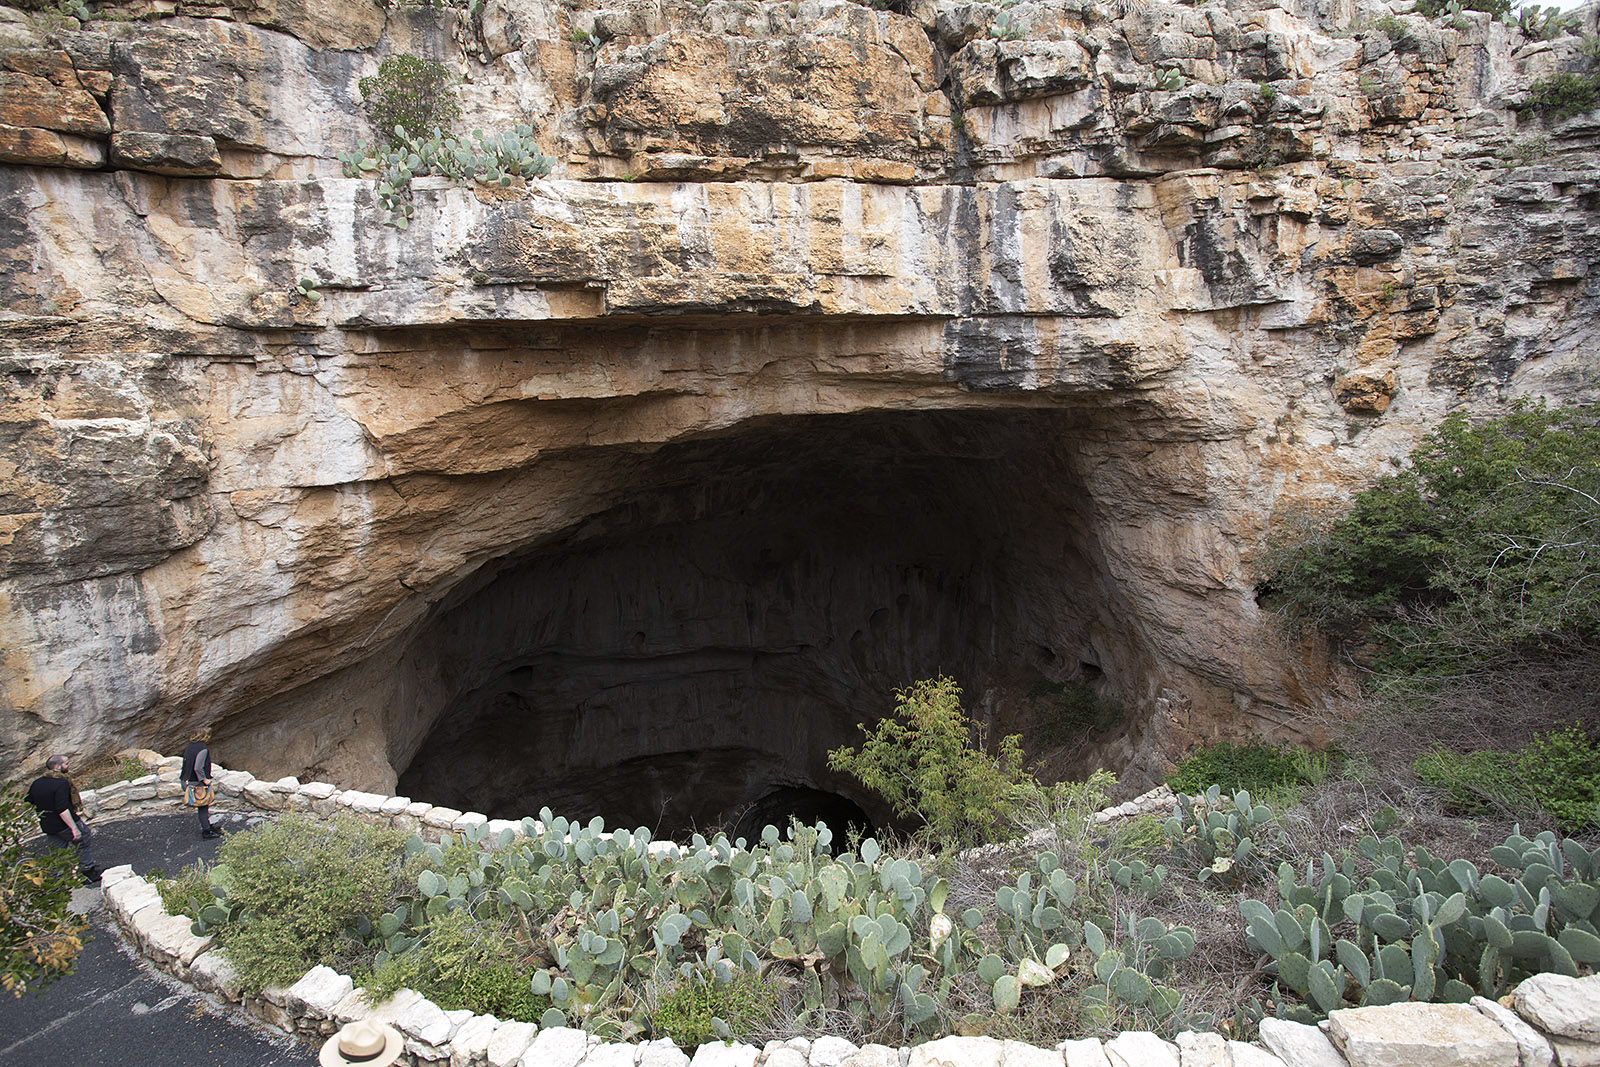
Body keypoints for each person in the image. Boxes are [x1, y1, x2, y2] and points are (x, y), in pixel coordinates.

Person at [26, 754, 101, 884]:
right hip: (64, 823)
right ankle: (87, 871)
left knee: (58, 851)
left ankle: (56, 879)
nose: (69, 765)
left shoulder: (37, 783)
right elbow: (62, 808)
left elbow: (29, 801)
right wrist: (74, 828)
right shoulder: (61, 783)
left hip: (48, 824)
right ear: (57, 767)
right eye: (66, 763)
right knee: (83, 840)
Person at [181, 730, 221, 839]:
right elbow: (198, 767)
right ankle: (207, 831)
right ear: (204, 736)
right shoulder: (202, 749)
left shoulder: (189, 747)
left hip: (187, 780)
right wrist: (204, 779)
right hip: (197, 782)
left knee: (203, 807)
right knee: (203, 806)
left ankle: (207, 825)